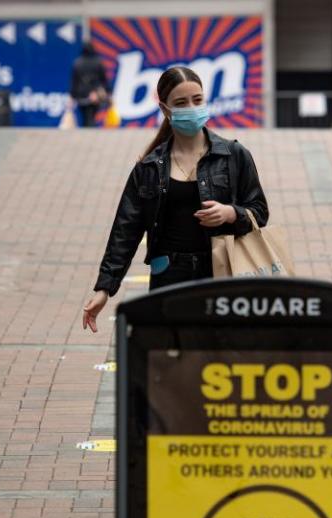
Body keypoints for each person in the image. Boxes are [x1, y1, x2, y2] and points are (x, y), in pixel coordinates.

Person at [82, 66, 269, 331]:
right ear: (165, 110)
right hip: (168, 275)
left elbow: (259, 210)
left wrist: (230, 213)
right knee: (171, 358)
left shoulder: (234, 155)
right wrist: (105, 288)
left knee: (216, 353)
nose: (192, 108)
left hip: (221, 271)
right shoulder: (149, 168)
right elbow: (125, 231)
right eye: (181, 103)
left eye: (198, 99)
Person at [70, 42, 109, 128]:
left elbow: (74, 81)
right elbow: (103, 79)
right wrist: (107, 91)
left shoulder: (77, 63)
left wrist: (72, 95)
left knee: (85, 116)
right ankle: (90, 133)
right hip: (95, 94)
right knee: (91, 116)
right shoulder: (98, 62)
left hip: (81, 95)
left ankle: (87, 133)